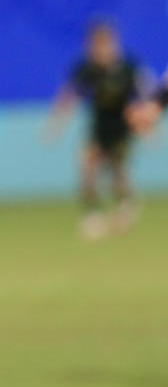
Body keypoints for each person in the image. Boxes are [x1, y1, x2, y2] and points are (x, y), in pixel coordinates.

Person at [47, 20, 148, 240]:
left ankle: (126, 204)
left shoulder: (128, 68)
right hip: (98, 126)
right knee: (87, 166)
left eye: (105, 44)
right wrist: (56, 123)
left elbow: (144, 94)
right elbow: (69, 95)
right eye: (95, 45)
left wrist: (148, 123)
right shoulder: (87, 69)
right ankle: (93, 214)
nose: (100, 49)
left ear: (114, 43)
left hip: (122, 126)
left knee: (118, 171)